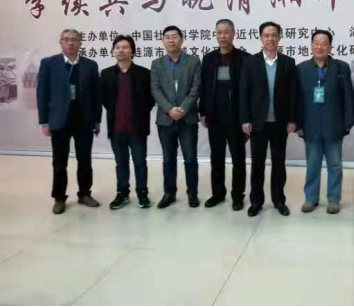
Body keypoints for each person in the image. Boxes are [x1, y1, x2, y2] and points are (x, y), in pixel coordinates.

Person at [37, 29, 102, 215]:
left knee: (85, 160)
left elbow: (96, 95)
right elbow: (42, 93)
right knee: (59, 162)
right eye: (66, 39)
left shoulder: (90, 65)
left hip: (84, 120)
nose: (70, 43)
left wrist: (97, 120)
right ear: (60, 42)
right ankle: (59, 198)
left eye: (74, 39)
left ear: (80, 43)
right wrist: (44, 122)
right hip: (59, 120)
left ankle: (84, 194)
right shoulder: (48, 63)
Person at [240, 22, 297, 218]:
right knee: (257, 164)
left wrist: (292, 119)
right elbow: (244, 92)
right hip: (258, 123)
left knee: (279, 164)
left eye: (274, 35)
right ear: (261, 38)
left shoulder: (288, 62)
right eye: (266, 35)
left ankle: (279, 200)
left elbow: (293, 94)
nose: (270, 39)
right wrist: (245, 119)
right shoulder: (250, 62)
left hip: (280, 123)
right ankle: (256, 201)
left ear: (279, 37)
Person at [297, 30, 354, 215]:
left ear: (330, 46)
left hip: (334, 125)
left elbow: (348, 96)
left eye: (324, 43)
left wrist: (348, 123)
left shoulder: (341, 67)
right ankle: (311, 198)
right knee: (312, 165)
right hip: (311, 125)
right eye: (316, 43)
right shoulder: (301, 68)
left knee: (335, 165)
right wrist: (298, 124)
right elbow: (296, 100)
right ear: (311, 45)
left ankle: (334, 199)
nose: (319, 47)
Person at [200, 19, 251, 212]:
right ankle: (218, 193)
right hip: (215, 117)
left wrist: (247, 117)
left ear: (234, 34)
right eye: (219, 32)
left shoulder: (244, 58)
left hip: (236, 118)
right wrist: (203, 111)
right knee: (216, 157)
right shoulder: (209, 59)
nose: (223, 36)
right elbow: (204, 88)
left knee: (238, 159)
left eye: (226, 32)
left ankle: (238, 195)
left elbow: (248, 91)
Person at [100, 35, 156, 210]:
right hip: (116, 128)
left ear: (132, 51)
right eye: (117, 47)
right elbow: (104, 99)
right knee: (121, 163)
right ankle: (122, 193)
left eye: (125, 47)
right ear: (113, 51)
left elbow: (150, 99)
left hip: (137, 128)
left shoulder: (144, 73)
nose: (121, 50)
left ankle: (142, 193)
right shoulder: (106, 74)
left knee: (140, 162)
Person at [151, 26, 202, 210]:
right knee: (168, 159)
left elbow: (196, 88)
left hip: (187, 119)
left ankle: (192, 193)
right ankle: (169, 193)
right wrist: (169, 109)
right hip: (165, 120)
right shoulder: (157, 64)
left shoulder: (193, 61)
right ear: (163, 41)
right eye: (167, 37)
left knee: (190, 158)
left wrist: (183, 108)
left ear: (181, 39)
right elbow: (155, 90)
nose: (171, 40)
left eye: (174, 37)